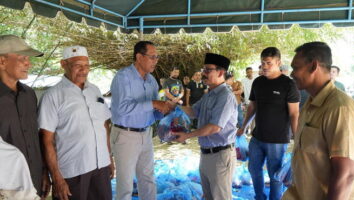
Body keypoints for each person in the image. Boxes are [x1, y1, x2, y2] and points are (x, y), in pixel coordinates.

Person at [282, 42, 354, 200]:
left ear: (313, 66)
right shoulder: (311, 104)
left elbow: (346, 175)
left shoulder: (340, 108)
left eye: (296, 67)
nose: (292, 74)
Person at [38, 46, 113, 200]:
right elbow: (46, 140)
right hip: (72, 171)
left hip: (101, 166)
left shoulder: (95, 90)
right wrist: (57, 178)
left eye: (86, 66)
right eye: (78, 65)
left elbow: (104, 126)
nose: (83, 70)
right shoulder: (52, 96)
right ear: (63, 64)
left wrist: (109, 158)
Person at [110, 41, 172, 200]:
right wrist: (153, 103)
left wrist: (165, 111)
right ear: (139, 57)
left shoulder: (151, 80)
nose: (156, 61)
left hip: (146, 133)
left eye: (157, 57)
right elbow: (122, 108)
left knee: (148, 179)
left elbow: (154, 112)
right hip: (125, 135)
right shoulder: (123, 77)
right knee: (125, 185)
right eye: (152, 57)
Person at [173, 53, 238, 200]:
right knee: (208, 196)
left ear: (221, 72)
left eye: (208, 70)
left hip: (220, 156)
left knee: (220, 197)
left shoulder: (225, 96)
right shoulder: (209, 94)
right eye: (204, 69)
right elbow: (193, 111)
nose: (204, 73)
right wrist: (173, 107)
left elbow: (215, 127)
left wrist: (187, 135)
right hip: (206, 154)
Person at [238, 47, 300, 200]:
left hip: (277, 140)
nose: (264, 66)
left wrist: (297, 138)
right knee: (253, 169)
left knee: (275, 174)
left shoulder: (289, 85)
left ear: (278, 62)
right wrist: (243, 127)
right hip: (257, 137)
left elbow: (294, 113)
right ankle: (259, 196)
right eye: (262, 63)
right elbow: (253, 106)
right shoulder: (258, 82)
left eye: (268, 63)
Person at [0, 34, 50, 198]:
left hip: (33, 179)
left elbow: (34, 137)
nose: (28, 63)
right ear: (2, 61)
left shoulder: (29, 95)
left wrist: (43, 171)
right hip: (6, 187)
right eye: (22, 58)